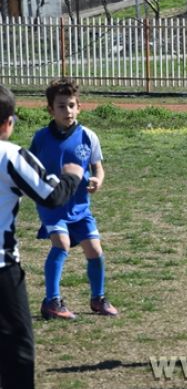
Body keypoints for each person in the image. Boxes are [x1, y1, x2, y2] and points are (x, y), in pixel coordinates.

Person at [0, 84, 83, 389]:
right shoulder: (9, 154)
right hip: (2, 271)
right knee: (18, 350)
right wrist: (72, 175)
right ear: (9, 122)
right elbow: (52, 195)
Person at [29, 78, 118, 320]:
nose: (67, 111)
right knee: (62, 244)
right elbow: (30, 169)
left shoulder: (88, 136)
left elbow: (98, 168)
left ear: (79, 107)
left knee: (95, 250)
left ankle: (98, 298)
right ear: (50, 109)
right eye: (61, 106)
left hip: (79, 206)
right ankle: (52, 301)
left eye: (71, 105)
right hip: (52, 205)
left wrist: (98, 180)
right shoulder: (41, 138)